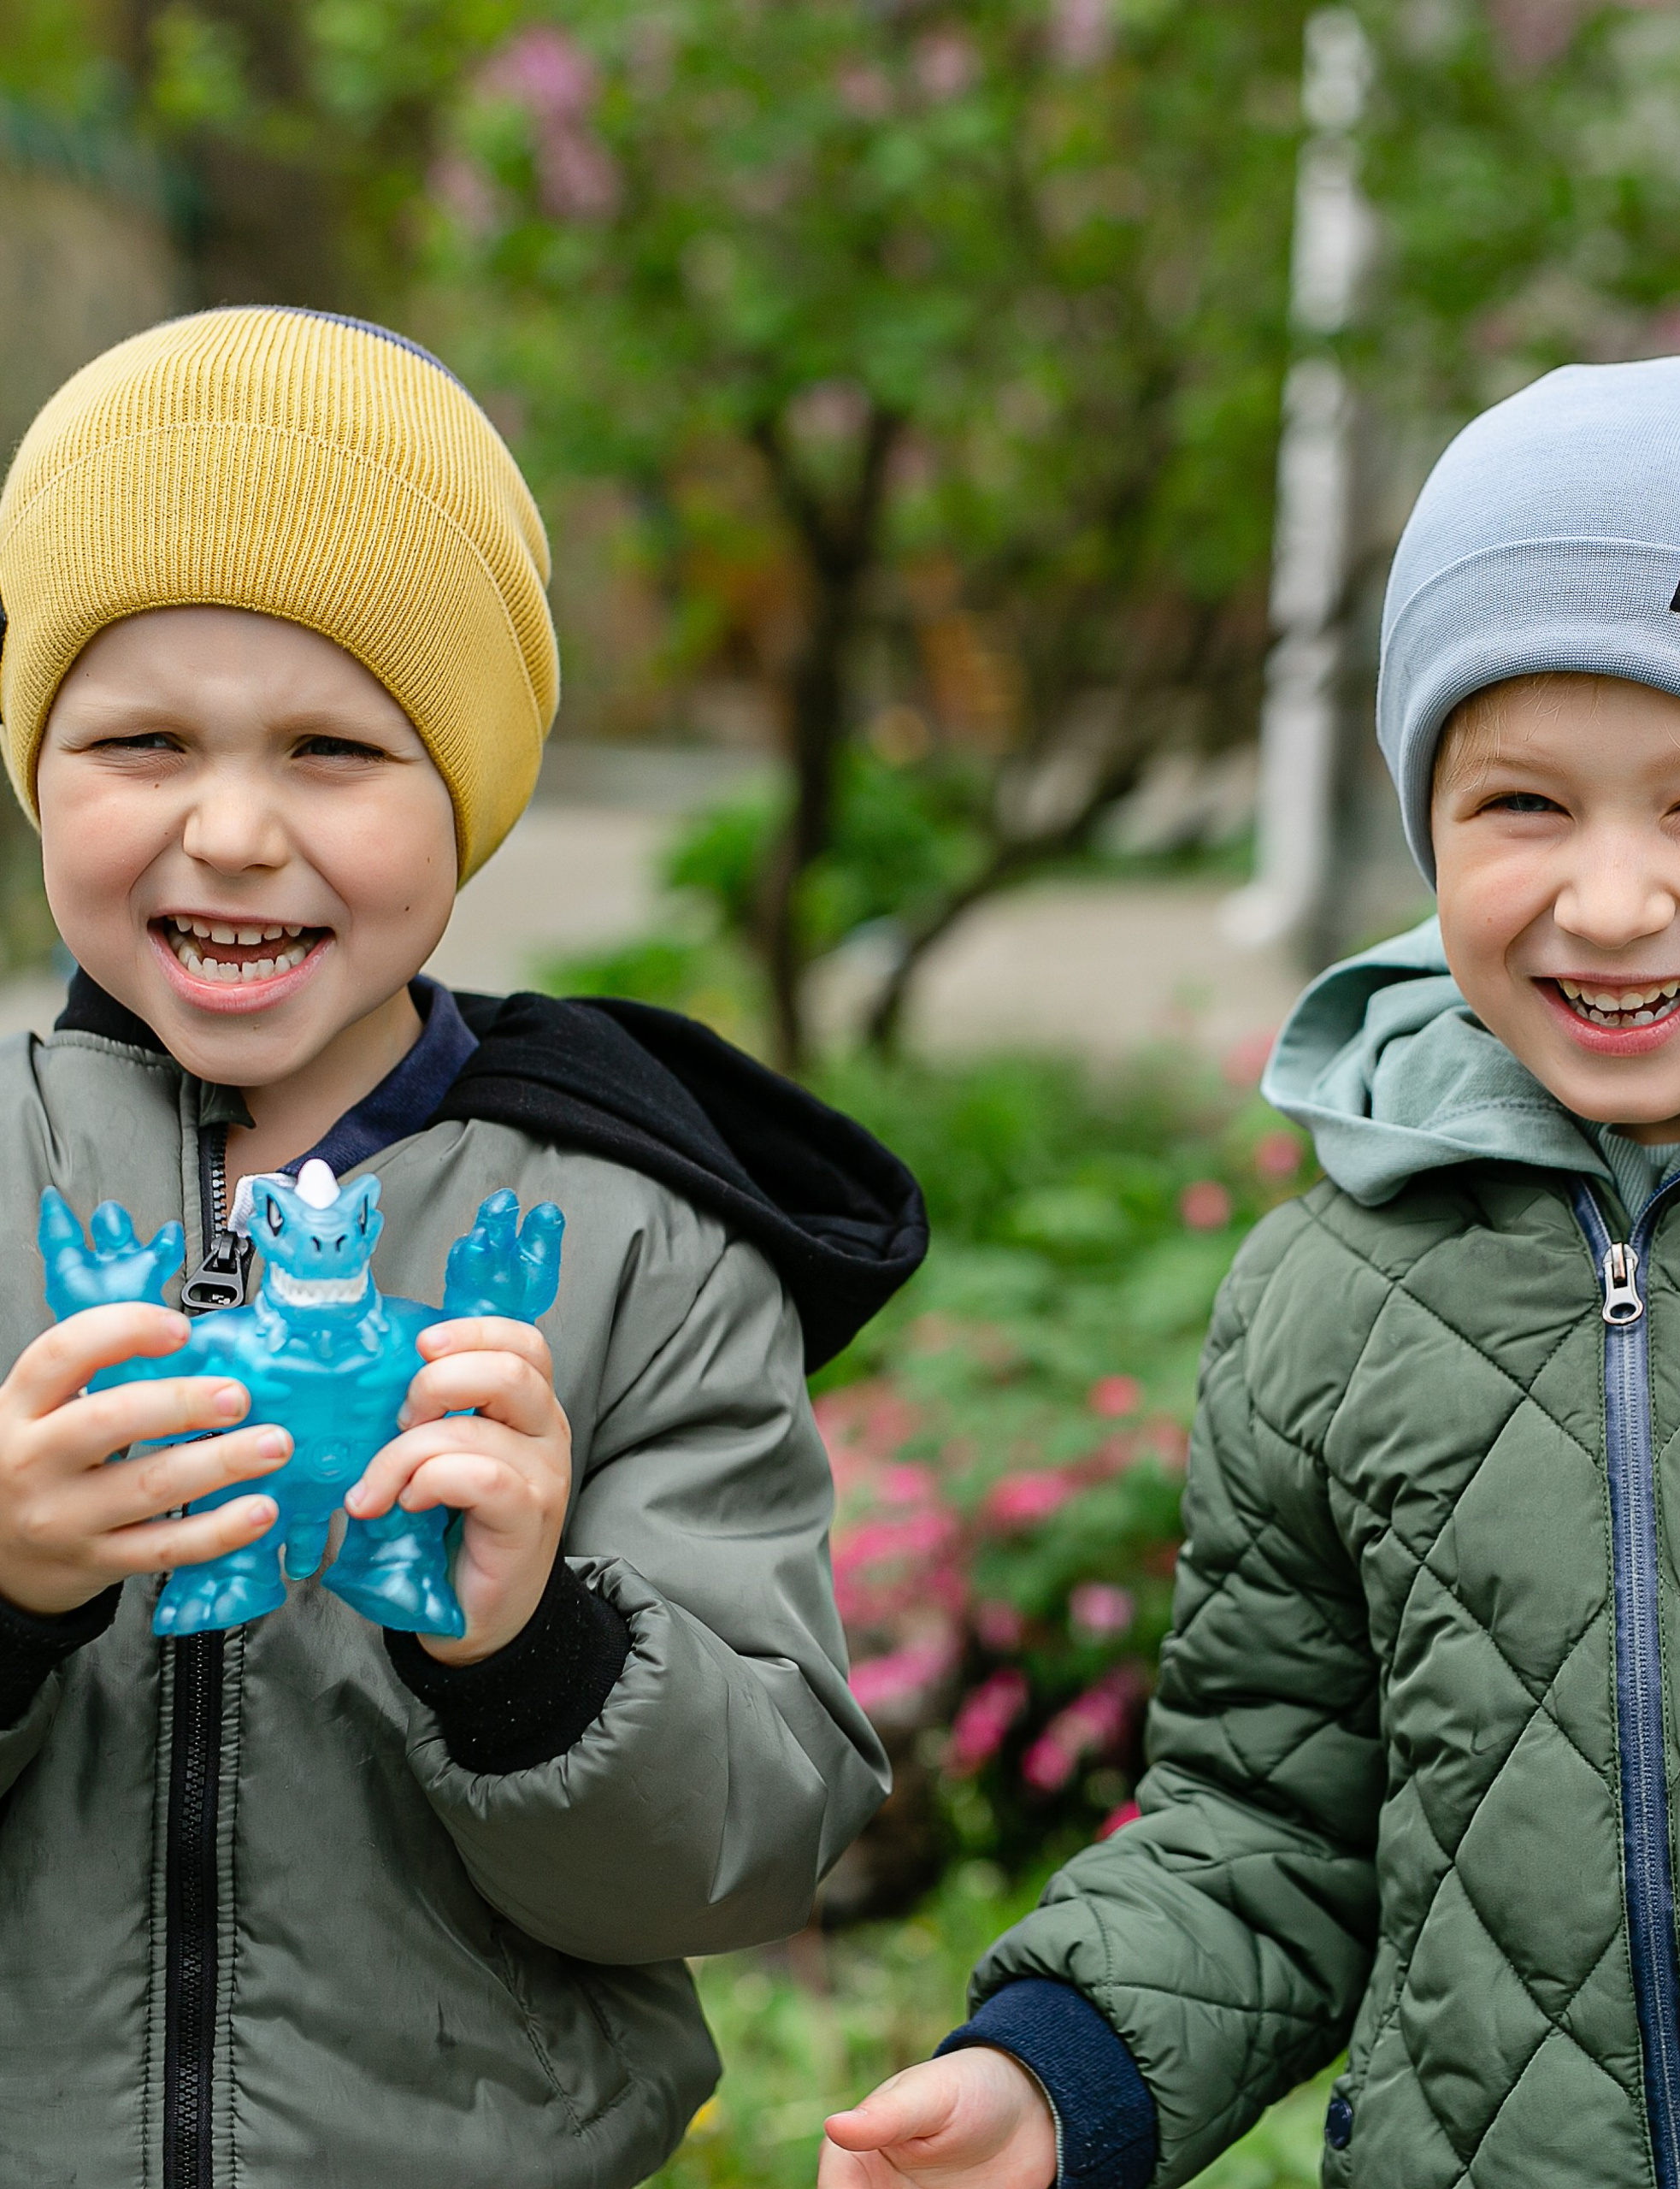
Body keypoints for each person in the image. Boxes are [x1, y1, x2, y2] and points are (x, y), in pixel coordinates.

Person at [820, 350, 1680, 2189]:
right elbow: (1267, 1819)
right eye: (1520, 806)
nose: (1606, 901)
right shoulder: (1337, 1285)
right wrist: (1055, 2075)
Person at [0, 306, 921, 2189]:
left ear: (475, 786)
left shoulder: (635, 1237)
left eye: (335, 746)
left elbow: (753, 1841)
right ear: (32, 755)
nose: (232, 827)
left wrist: (530, 1654)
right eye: (143, 737)